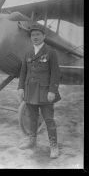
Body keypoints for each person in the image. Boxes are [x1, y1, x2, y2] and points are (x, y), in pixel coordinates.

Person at [18, 23, 61, 159]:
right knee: (32, 118)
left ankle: (53, 145)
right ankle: (32, 140)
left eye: (38, 34)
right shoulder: (28, 53)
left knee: (49, 120)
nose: (35, 37)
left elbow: (56, 73)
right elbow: (23, 72)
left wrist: (52, 91)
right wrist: (20, 87)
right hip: (30, 91)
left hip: (45, 92)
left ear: (44, 36)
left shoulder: (51, 52)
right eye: (32, 35)